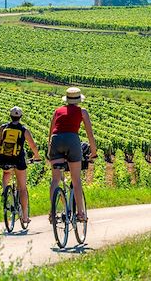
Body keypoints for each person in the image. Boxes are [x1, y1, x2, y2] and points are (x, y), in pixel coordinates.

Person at [48, 87, 97, 222]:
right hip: (72, 141)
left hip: (56, 141)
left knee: (55, 180)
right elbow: (90, 134)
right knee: (76, 180)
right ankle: (80, 213)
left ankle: (52, 212)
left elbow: (51, 131)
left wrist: (49, 150)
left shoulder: (57, 111)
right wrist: (94, 152)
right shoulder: (82, 112)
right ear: (79, 99)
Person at [0, 106, 41, 224]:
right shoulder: (23, 129)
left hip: (4, 159)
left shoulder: (3, 127)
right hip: (19, 160)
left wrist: (3, 155)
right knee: (22, 189)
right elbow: (33, 145)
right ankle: (25, 217)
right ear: (20, 117)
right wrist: (36, 156)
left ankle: (5, 192)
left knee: (6, 172)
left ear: (10, 116)